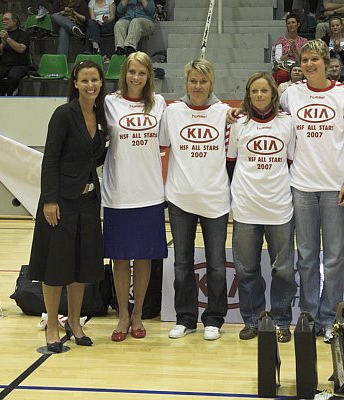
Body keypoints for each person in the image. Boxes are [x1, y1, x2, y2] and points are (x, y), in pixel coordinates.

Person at [280, 39, 344, 343]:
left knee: (335, 258)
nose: (309, 64)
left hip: (335, 189)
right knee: (307, 257)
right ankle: (310, 316)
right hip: (301, 187)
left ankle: (329, 319)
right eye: (305, 60)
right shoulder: (290, 95)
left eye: (315, 59)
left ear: (326, 62)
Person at [28, 60, 108, 353]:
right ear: (75, 83)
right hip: (60, 201)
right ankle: (52, 325)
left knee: (82, 266)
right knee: (56, 266)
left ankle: (75, 322)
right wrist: (50, 199)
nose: (90, 86)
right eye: (85, 80)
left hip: (88, 201)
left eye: (95, 80)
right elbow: (50, 158)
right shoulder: (63, 114)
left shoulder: (101, 115)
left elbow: (94, 157)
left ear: (101, 83)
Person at [159, 59, 231, 341]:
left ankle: (214, 318)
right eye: (193, 81)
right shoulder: (173, 112)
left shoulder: (225, 112)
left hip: (215, 199)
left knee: (216, 263)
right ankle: (185, 318)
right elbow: (162, 146)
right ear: (186, 82)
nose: (198, 86)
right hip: (180, 199)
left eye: (203, 81)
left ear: (211, 83)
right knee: (182, 263)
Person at [102, 52, 167, 342]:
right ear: (124, 74)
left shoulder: (159, 103)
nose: (136, 78)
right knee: (119, 258)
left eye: (141, 73)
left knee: (143, 258)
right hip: (118, 193)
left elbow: (168, 139)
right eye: (132, 72)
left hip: (150, 193)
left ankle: (138, 313)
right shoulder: (110, 103)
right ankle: (123, 315)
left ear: (148, 75)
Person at [228, 72, 296, 343]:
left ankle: (281, 320)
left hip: (279, 207)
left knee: (284, 270)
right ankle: (252, 320)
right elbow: (230, 162)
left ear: (273, 94)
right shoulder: (239, 123)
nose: (259, 95)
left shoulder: (287, 123)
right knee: (246, 269)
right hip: (245, 207)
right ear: (248, 94)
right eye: (254, 91)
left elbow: (291, 160)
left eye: (264, 91)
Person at [0, 12, 31, 96]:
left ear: (15, 21)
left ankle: (9, 94)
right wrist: (3, 44)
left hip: (19, 65)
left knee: (13, 76)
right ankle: (7, 91)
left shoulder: (23, 35)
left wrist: (8, 39)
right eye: (2, 20)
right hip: (3, 64)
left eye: (6, 19)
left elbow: (21, 49)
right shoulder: (2, 34)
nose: (4, 21)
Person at [273, 12, 307, 85]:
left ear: (298, 24)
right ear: (286, 26)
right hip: (284, 67)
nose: (291, 25)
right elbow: (278, 60)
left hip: (298, 67)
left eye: (293, 22)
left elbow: (303, 61)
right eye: (288, 23)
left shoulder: (304, 41)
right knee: (282, 74)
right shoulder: (280, 40)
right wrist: (289, 54)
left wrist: (294, 51)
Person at [321, 16, 344, 82]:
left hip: (343, 67)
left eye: (337, 25)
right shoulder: (324, 40)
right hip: (327, 67)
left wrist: (340, 51)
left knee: (341, 75)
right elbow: (323, 58)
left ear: (341, 26)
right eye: (333, 26)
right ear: (330, 28)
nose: (335, 27)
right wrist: (333, 51)